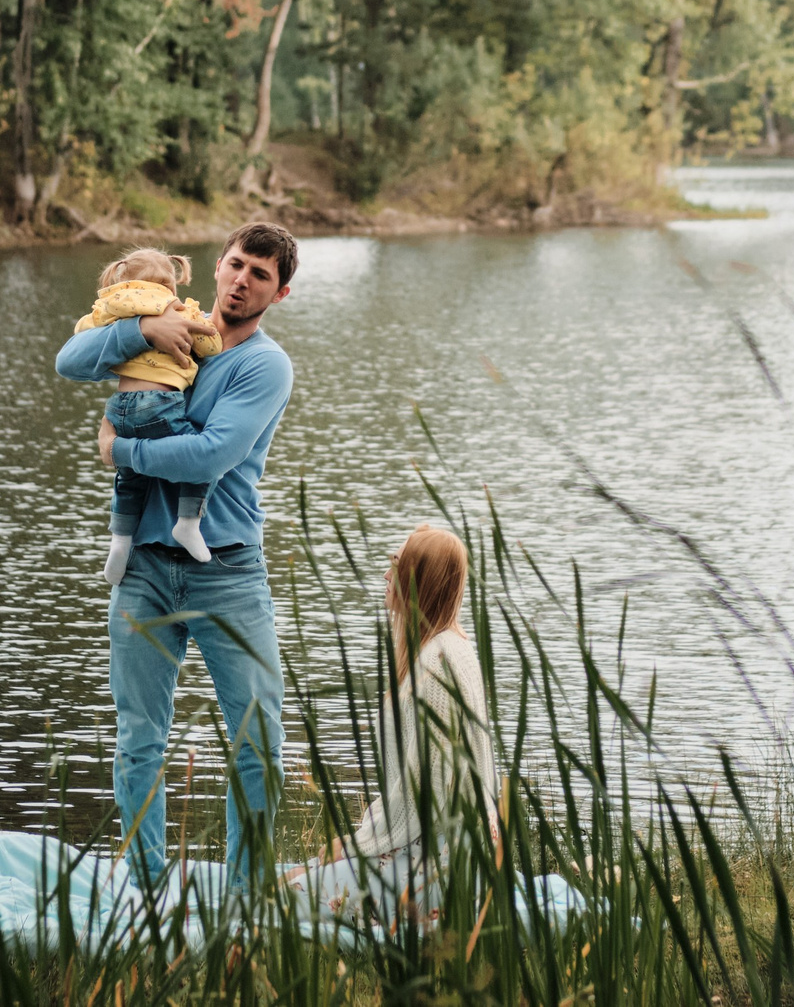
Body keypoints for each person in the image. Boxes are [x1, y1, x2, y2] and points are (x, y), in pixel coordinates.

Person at [54, 221, 298, 888]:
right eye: (236, 264)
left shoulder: (263, 364)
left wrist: (118, 450)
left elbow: (211, 454)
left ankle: (249, 897)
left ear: (279, 294)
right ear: (217, 266)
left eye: (260, 275)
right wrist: (140, 336)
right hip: (146, 572)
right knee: (139, 739)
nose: (242, 280)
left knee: (257, 741)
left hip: (228, 571)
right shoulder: (168, 319)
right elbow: (70, 361)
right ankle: (144, 887)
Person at [290, 523, 499, 924]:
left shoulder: (436, 668)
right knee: (300, 880)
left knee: (291, 900)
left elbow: (425, 795)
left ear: (420, 581)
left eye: (396, 566)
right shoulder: (450, 644)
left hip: (443, 861)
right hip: (449, 844)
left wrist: (354, 845)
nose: (386, 576)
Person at [73, 247, 225, 579]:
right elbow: (210, 344)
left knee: (130, 479)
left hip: (119, 409)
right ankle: (187, 523)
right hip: (158, 403)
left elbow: (81, 333)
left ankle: (120, 542)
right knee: (200, 462)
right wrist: (201, 323)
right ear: (171, 283)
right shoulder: (174, 309)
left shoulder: (114, 307)